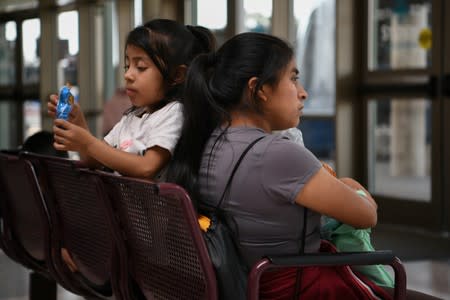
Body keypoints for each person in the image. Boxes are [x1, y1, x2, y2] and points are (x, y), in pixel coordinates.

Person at [167, 32, 440, 299]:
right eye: (293, 79)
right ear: (259, 89)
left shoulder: (207, 143)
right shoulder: (278, 154)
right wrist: (349, 185)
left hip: (250, 284)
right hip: (300, 287)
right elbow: (366, 216)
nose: (303, 93)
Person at [48, 19, 215, 180]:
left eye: (140, 67)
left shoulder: (174, 112)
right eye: (127, 66)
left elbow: (146, 168)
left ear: (177, 75)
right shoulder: (131, 117)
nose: (127, 75)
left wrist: (88, 143)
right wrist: (78, 123)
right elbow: (96, 161)